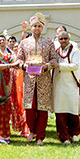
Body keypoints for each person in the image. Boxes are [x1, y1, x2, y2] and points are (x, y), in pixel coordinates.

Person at [16, 12, 59, 145]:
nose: (36, 29)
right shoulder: (24, 43)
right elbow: (18, 59)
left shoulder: (49, 42)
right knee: (30, 107)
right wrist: (23, 66)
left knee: (42, 107)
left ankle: (40, 136)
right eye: (34, 26)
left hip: (44, 78)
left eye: (39, 26)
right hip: (29, 78)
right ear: (31, 27)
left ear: (42, 27)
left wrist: (47, 66)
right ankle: (32, 131)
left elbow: (54, 58)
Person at [53, 30, 80, 144]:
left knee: (72, 108)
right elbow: (51, 63)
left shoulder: (75, 51)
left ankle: (74, 133)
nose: (63, 41)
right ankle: (64, 136)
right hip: (58, 83)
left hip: (71, 83)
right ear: (58, 40)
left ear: (69, 39)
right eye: (61, 39)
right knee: (60, 110)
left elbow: (76, 65)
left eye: (65, 38)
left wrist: (59, 65)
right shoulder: (55, 51)